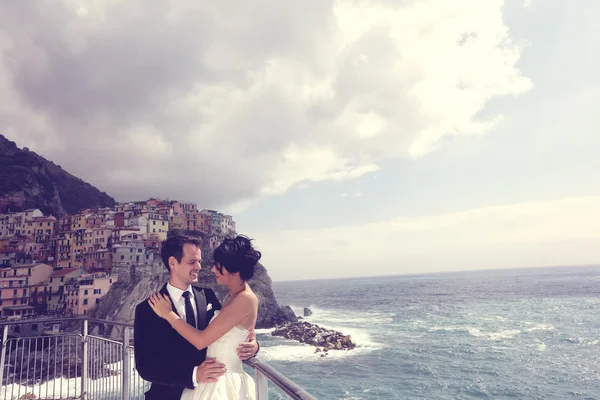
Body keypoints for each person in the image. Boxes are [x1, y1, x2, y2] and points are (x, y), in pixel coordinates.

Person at [134, 235, 260, 400]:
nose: (200, 267)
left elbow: (231, 332)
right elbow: (146, 368)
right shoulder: (147, 309)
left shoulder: (208, 296)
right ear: (173, 263)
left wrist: (253, 346)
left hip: (212, 392)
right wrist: (193, 375)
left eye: (199, 261)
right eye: (192, 262)